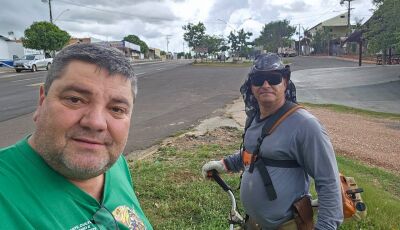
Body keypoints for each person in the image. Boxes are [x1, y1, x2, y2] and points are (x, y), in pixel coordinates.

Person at [0, 43, 152, 230]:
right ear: (42, 101)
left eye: (117, 109)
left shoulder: (115, 164)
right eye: (75, 99)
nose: (96, 123)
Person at [202, 53, 343, 230]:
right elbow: (254, 154)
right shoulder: (254, 119)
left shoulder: (305, 125)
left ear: (285, 82)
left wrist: (326, 227)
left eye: (273, 78)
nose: (266, 85)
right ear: (251, 86)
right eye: (259, 79)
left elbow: (329, 181)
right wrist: (225, 164)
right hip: (253, 223)